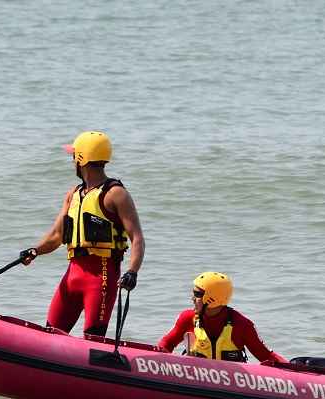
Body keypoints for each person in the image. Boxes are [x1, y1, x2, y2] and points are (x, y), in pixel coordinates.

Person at [19, 131, 145, 337]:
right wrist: (35, 251)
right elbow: (56, 236)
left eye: (74, 156)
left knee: (93, 339)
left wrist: (132, 271)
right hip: (72, 275)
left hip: (102, 276)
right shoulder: (73, 194)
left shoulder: (115, 194)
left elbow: (137, 237)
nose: (72, 161)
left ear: (82, 159)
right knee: (49, 335)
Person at [158, 272, 286, 364]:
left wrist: (294, 370)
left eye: (197, 294)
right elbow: (166, 343)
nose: (192, 299)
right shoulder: (187, 318)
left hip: (230, 387)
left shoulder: (241, 325)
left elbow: (266, 356)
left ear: (212, 298)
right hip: (195, 383)